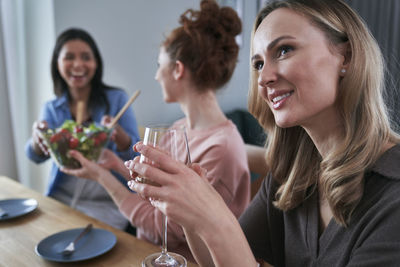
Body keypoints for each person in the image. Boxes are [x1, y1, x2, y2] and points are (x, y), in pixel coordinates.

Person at [126, 0, 400, 266]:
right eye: (258, 64)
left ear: (347, 57)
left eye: (284, 50)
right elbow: (219, 260)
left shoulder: (393, 198)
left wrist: (216, 219)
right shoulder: (290, 176)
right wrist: (192, 213)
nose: (263, 77)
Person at [62, 0, 250, 262]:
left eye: (158, 64)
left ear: (177, 69)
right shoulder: (178, 128)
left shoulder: (221, 150)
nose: (155, 76)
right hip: (144, 253)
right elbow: (152, 193)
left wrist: (102, 177)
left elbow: (162, 230)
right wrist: (116, 164)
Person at [25, 28, 140, 231]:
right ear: (57, 63)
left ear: (96, 63)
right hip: (62, 197)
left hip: (108, 200)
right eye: (69, 57)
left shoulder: (117, 100)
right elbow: (35, 156)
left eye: (86, 57)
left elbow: (135, 156)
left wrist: (120, 138)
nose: (78, 64)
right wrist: (38, 139)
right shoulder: (52, 108)